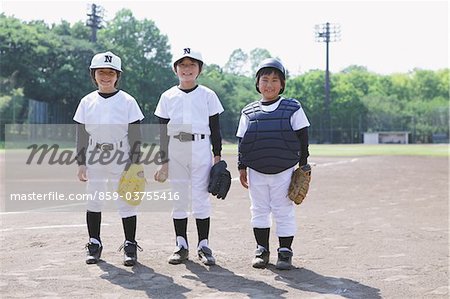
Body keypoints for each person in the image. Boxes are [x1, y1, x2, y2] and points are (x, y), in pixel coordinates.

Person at [236, 58, 310, 270]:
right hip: (256, 169)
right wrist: (241, 166)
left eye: (275, 80)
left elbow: (303, 136)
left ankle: (285, 252)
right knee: (258, 209)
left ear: (282, 84)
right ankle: (262, 249)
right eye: (265, 79)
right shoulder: (248, 112)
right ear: (257, 83)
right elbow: (243, 141)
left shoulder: (292, 107)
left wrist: (303, 166)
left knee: (283, 209)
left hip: (284, 169)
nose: (269, 84)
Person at [154, 48, 224, 266]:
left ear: (199, 70)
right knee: (179, 199)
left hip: (202, 147)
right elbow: (162, 132)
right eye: (182, 65)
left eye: (192, 65)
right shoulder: (167, 96)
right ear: (175, 69)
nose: (187, 69)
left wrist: (217, 156)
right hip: (176, 148)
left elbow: (216, 128)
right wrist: (163, 161)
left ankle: (203, 245)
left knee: (201, 198)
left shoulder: (208, 95)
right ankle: (181, 245)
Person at [73, 51, 145, 266]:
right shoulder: (87, 101)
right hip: (94, 154)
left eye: (111, 72)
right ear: (93, 74)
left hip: (121, 155)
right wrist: (81, 162)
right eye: (101, 72)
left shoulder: (127, 101)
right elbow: (82, 134)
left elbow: (135, 135)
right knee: (94, 200)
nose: (106, 76)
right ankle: (94, 243)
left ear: (117, 76)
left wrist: (134, 162)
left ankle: (130, 244)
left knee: (126, 201)